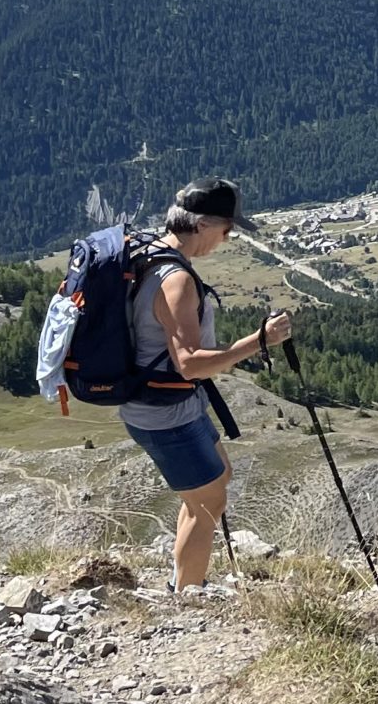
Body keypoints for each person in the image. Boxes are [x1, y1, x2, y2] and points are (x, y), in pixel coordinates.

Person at [121, 178, 291, 591]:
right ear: (201, 224)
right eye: (226, 229)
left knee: (215, 481)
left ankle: (183, 582)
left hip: (164, 404)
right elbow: (190, 365)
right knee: (208, 503)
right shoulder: (176, 280)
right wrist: (260, 341)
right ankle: (187, 599)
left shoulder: (148, 254)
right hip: (166, 412)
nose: (228, 237)